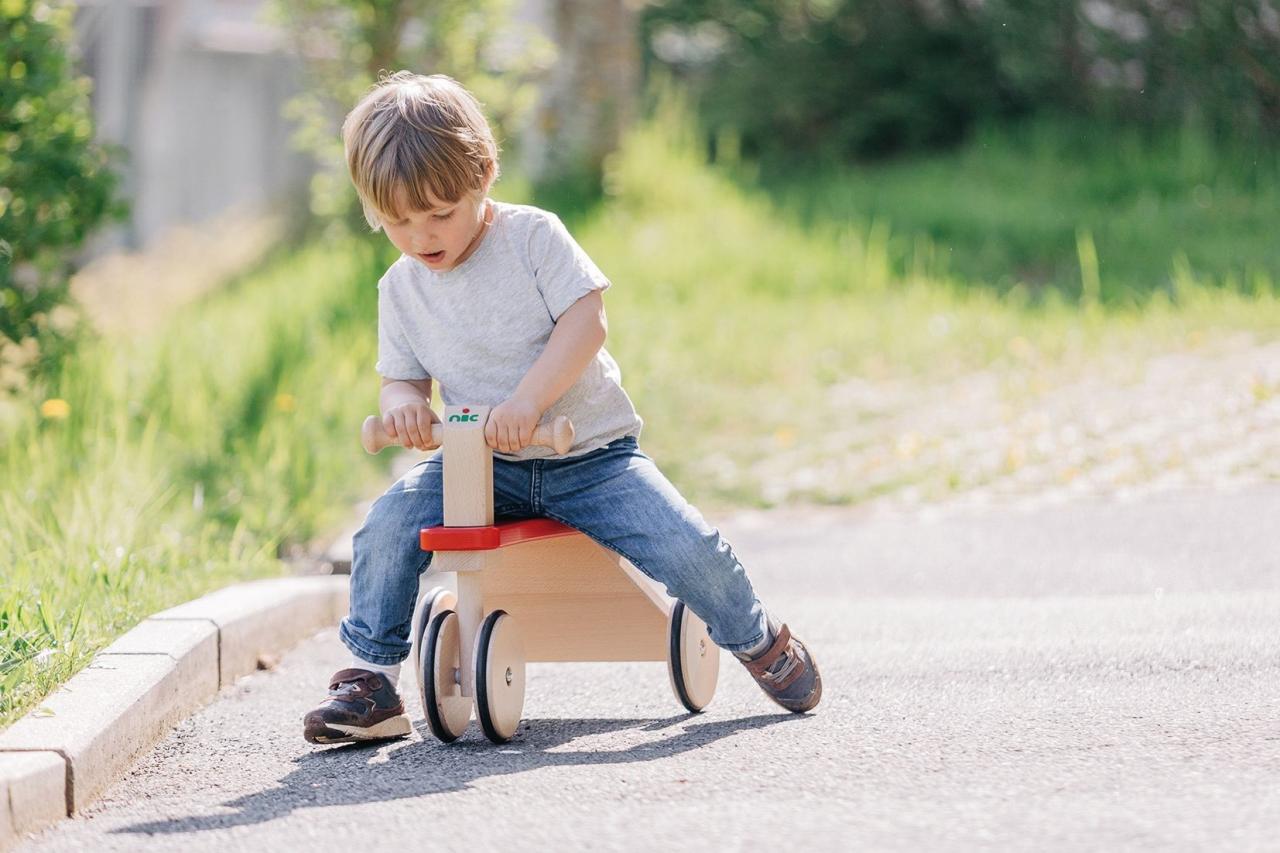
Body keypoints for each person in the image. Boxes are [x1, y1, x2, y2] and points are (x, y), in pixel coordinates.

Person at [303, 71, 822, 745]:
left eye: (440, 212)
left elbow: (587, 322)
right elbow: (401, 380)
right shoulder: (401, 287)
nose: (421, 234)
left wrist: (528, 401)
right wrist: (402, 406)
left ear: (484, 174)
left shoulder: (532, 239)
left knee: (684, 545)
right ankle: (371, 678)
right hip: (482, 465)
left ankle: (757, 638)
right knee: (388, 522)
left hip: (589, 456)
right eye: (397, 220)